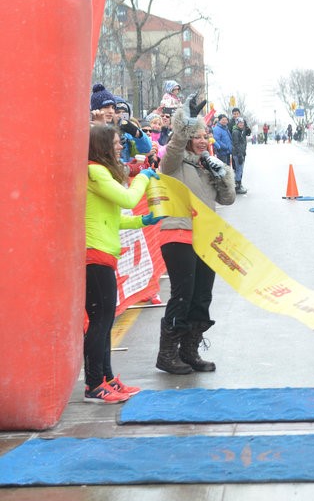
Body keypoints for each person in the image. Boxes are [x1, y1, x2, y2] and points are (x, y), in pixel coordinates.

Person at [84, 124, 165, 403]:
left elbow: (114, 217)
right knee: (99, 322)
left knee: (105, 322)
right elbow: (130, 197)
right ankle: (94, 385)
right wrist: (142, 176)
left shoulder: (100, 172)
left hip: (104, 254)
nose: (121, 147)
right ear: (102, 145)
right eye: (117, 143)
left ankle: (106, 379)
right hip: (94, 255)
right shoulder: (94, 172)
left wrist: (141, 221)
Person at [156, 96, 236, 374]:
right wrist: (185, 123)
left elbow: (228, 199)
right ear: (189, 138)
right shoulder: (175, 163)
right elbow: (174, 147)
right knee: (183, 294)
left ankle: (189, 351)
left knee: (202, 296)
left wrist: (223, 174)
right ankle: (167, 354)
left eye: (206, 136)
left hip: (205, 238)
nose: (203, 141)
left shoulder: (207, 166)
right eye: (197, 136)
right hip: (178, 234)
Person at [231, 117, 250, 194]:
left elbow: (243, 142)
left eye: (242, 123)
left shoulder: (241, 131)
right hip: (237, 154)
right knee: (239, 170)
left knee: (240, 170)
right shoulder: (236, 132)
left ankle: (238, 185)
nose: (241, 124)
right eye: (240, 123)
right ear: (237, 123)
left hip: (241, 153)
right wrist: (239, 155)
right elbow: (236, 144)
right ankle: (237, 187)